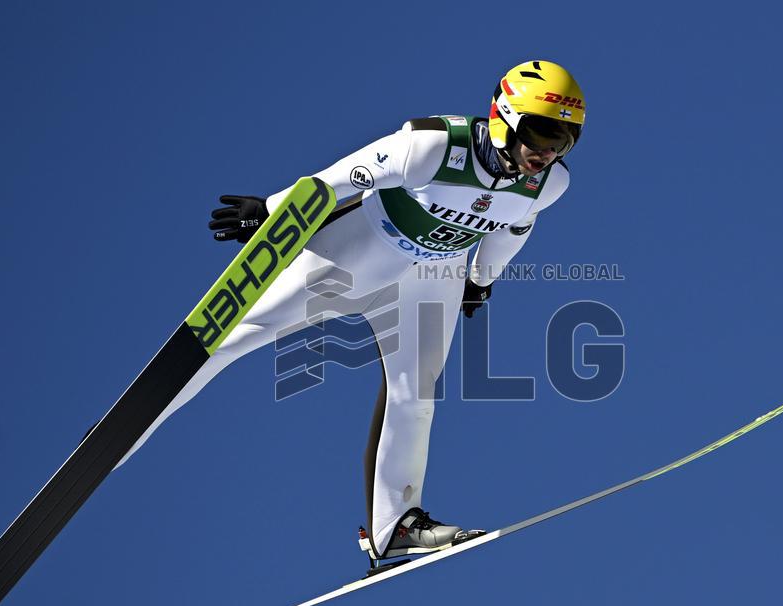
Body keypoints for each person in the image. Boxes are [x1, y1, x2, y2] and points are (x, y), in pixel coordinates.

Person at [118, 60, 586, 566]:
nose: (548, 152)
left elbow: (514, 229)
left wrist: (480, 281)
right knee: (240, 335)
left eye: (563, 141)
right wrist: (273, 210)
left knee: (416, 393)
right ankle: (125, 434)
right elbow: (337, 179)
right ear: (504, 118)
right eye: (541, 133)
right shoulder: (432, 146)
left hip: (432, 279)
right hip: (358, 252)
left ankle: (396, 527)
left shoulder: (548, 185)